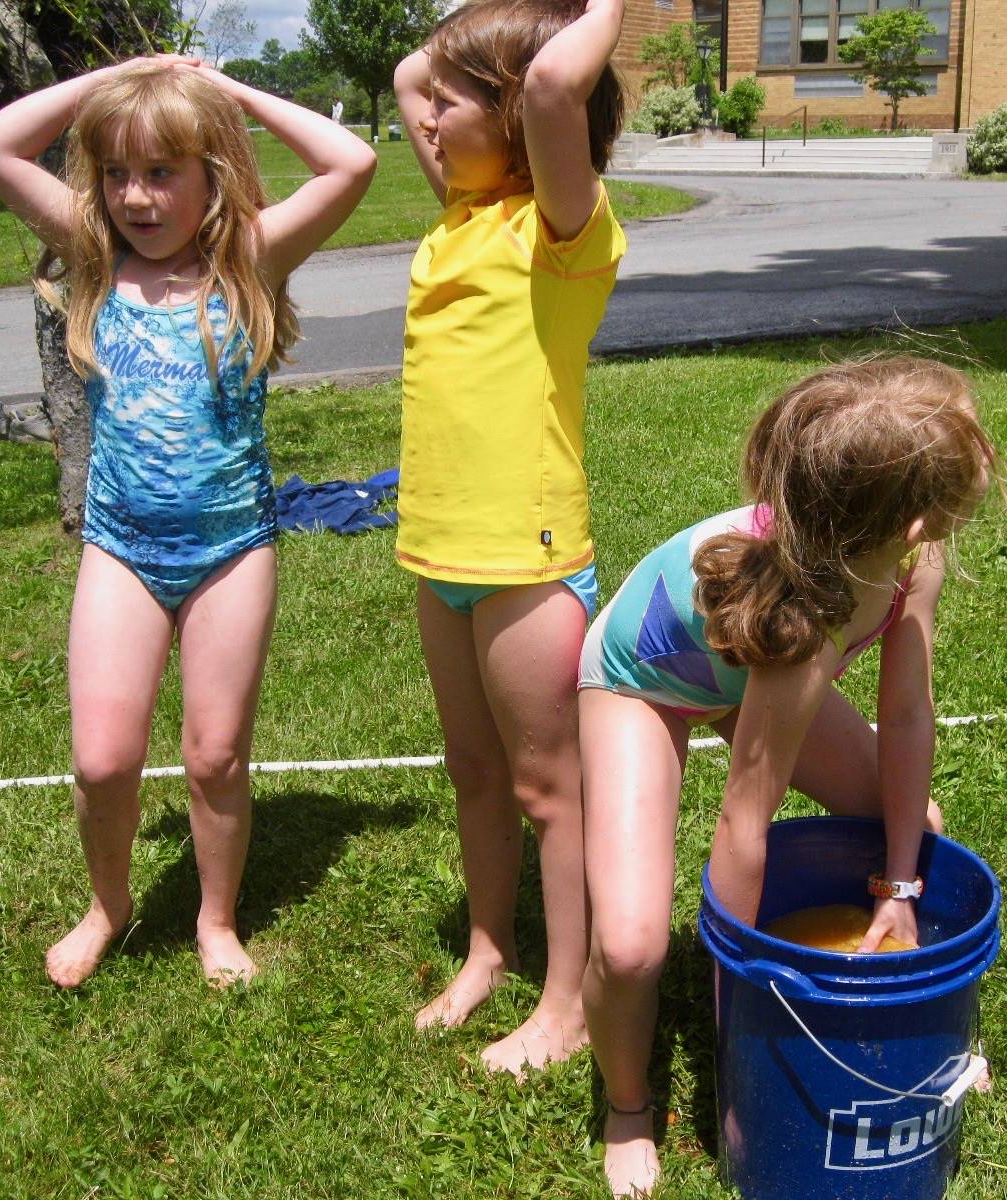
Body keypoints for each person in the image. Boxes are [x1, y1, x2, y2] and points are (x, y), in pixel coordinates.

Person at [577, 357, 1007, 1196]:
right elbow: (745, 818)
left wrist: (900, 885)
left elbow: (909, 716)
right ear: (916, 519)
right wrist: (745, 1011)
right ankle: (628, 1105)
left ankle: (914, 1011)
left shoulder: (909, 566)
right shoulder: (801, 629)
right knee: (632, 947)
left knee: (913, 823)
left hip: (753, 660)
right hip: (649, 681)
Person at [0, 56, 377, 989]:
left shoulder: (250, 261)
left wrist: (224, 95)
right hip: (121, 548)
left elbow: (349, 163)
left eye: (161, 173)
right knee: (103, 760)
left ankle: (217, 919)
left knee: (214, 755)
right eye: (117, 173)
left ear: (212, 175)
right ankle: (109, 903)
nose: (136, 198)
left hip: (231, 550)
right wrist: (132, 73)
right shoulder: (92, 256)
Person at [390, 0, 626, 1074]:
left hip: (524, 563)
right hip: (439, 556)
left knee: (547, 790)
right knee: (473, 773)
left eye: (451, 101)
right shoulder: (461, 213)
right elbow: (406, 71)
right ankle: (490, 949)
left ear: (518, 112)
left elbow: (543, 89)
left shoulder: (562, 232)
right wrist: (453, 54)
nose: (424, 116)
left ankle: (571, 1000)